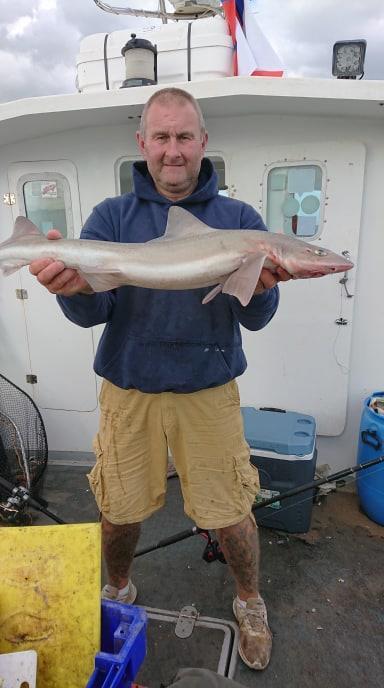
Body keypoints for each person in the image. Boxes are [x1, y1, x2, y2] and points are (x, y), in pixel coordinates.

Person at [29, 87, 292, 671]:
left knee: (230, 509)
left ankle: (249, 601)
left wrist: (263, 289)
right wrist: (70, 293)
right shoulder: (112, 218)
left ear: (203, 142)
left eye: (185, 137)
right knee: (119, 509)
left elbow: (254, 317)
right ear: (142, 143)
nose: (173, 151)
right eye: (162, 137)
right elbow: (93, 313)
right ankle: (118, 587)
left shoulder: (239, 221)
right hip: (130, 391)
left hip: (209, 391)